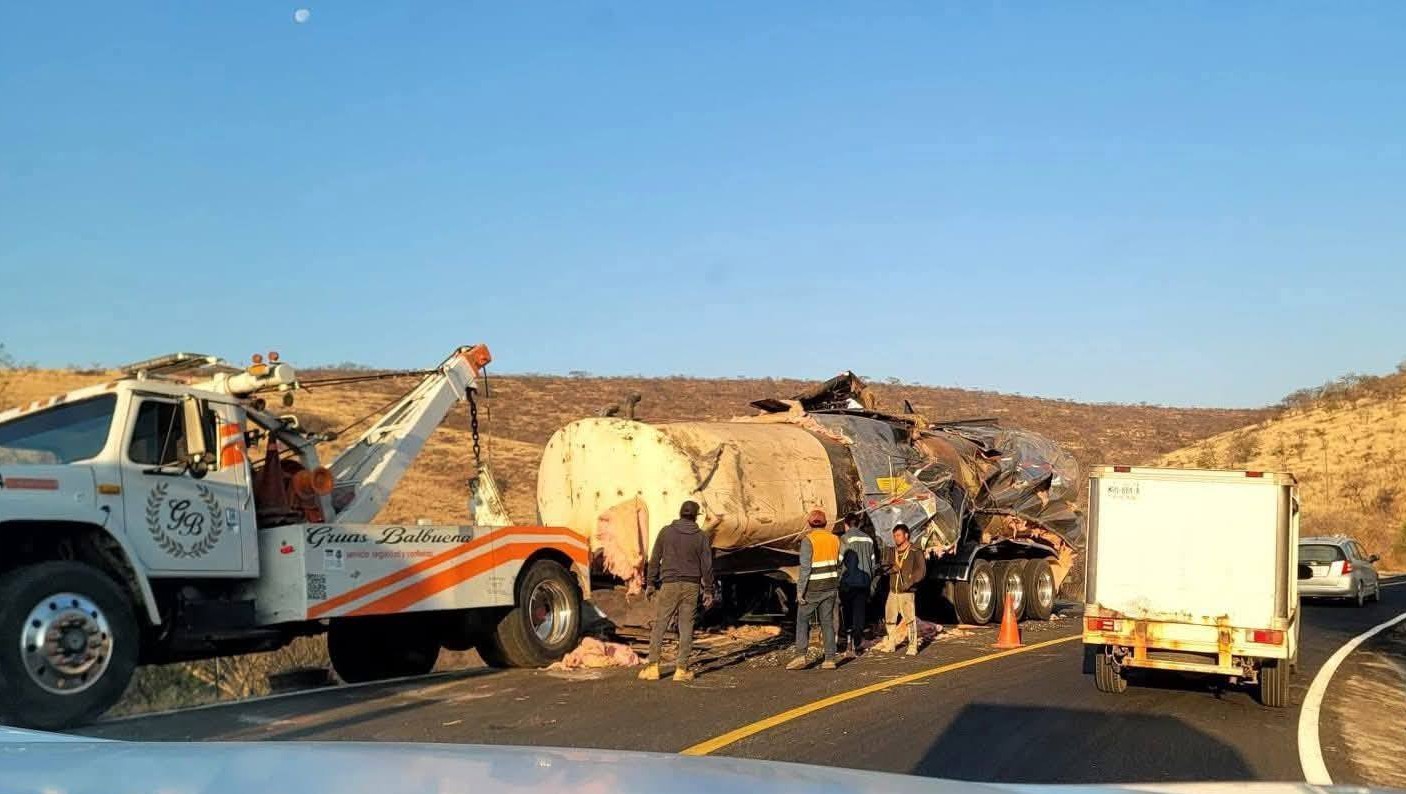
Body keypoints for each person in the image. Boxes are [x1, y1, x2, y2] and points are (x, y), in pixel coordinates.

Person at [639, 500, 715, 682]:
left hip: (669, 584)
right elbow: (707, 565)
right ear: (696, 516)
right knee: (686, 626)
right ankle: (681, 669)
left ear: (680, 513)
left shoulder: (666, 532)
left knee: (660, 625)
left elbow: (655, 557)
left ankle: (652, 667)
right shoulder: (701, 536)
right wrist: (709, 590)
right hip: (692, 586)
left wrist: (650, 583)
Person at [787, 509, 841, 670]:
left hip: (813, 588)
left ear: (810, 524)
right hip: (831, 585)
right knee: (827, 622)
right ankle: (830, 659)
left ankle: (800, 656)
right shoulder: (834, 539)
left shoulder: (808, 540)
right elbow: (839, 561)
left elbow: (805, 569)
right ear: (825, 523)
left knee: (802, 620)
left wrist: (799, 591)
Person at [877, 523, 926, 656]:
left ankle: (912, 645)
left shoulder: (915, 551)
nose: (896, 538)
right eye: (894, 536)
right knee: (890, 618)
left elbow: (921, 571)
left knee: (909, 619)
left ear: (906, 535)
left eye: (898, 535)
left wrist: (910, 582)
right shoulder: (892, 551)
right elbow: (885, 568)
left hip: (907, 591)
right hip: (893, 590)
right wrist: (891, 569)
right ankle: (891, 643)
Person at [838, 514, 876, 658]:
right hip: (864, 582)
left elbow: (839, 561)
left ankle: (849, 646)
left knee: (848, 614)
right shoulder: (869, 539)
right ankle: (858, 642)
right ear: (859, 524)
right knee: (859, 614)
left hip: (848, 583)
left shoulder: (845, 538)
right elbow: (873, 564)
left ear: (846, 524)